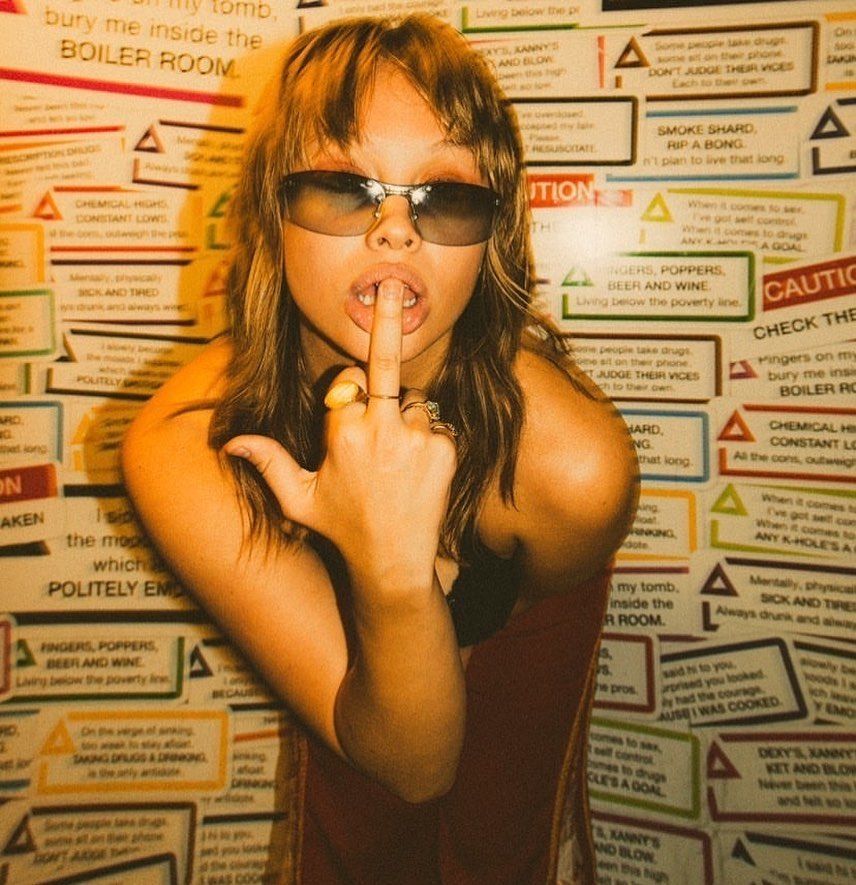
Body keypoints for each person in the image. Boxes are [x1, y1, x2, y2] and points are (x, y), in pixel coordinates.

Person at [122, 13, 638, 884]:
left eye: (446, 194)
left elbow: (473, 727)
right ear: (273, 212)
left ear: (493, 235)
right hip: (352, 736)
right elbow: (403, 763)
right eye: (342, 185)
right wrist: (391, 580)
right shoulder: (188, 443)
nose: (396, 228)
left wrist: (414, 590)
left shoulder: (566, 466)